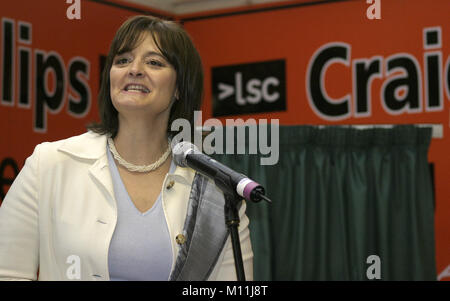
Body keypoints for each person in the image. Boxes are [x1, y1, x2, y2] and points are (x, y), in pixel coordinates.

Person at [0, 15, 253, 281]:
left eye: (154, 62)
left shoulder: (216, 193)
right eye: (122, 60)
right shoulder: (49, 163)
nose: (134, 69)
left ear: (179, 87)